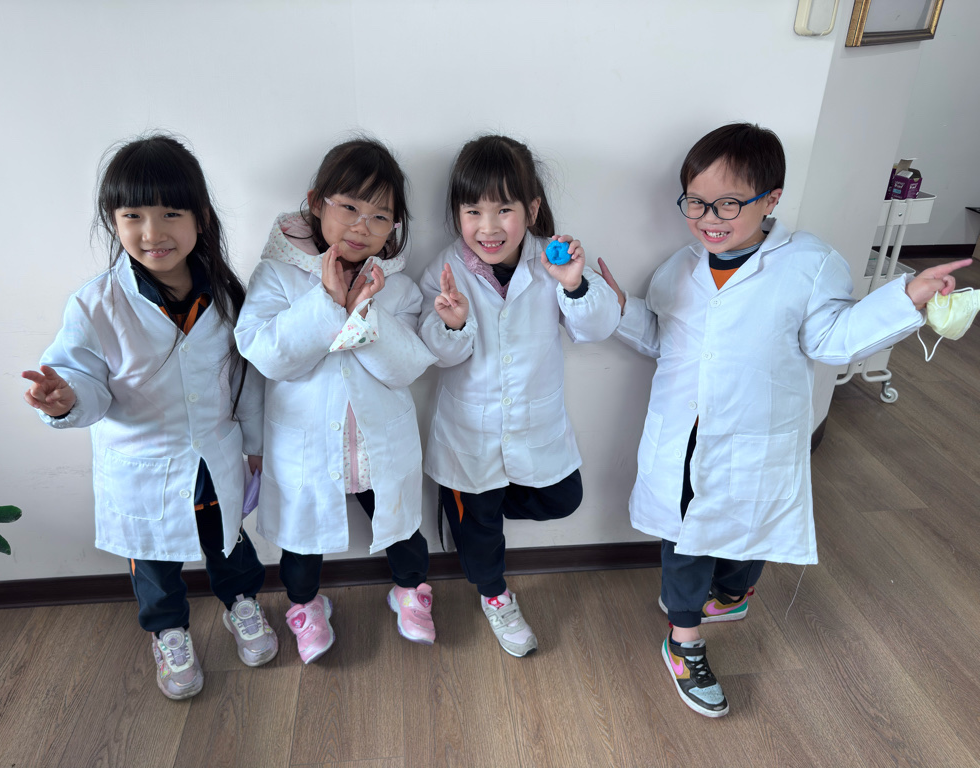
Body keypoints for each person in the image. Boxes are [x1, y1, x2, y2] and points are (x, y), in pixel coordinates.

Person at [597, 122, 971, 717]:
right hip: (685, 434)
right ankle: (683, 640)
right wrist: (617, 309)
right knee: (686, 536)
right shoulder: (679, 268)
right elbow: (660, 337)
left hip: (758, 435)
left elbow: (833, 340)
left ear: (770, 199)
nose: (709, 218)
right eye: (696, 202)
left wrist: (906, 297)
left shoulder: (810, 264)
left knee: (753, 529)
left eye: (728, 203)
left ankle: (733, 594)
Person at [22, 134, 276, 701]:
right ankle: (169, 633)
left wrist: (256, 444)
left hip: (213, 456)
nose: (152, 232)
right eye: (133, 215)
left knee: (229, 543)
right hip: (144, 465)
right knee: (155, 564)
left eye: (170, 214)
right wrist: (66, 400)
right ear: (112, 221)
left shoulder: (226, 296)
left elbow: (246, 380)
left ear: (200, 218)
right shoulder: (95, 305)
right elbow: (85, 382)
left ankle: (241, 603)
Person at [235, 138, 438, 663]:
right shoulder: (277, 275)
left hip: (377, 445)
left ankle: (410, 590)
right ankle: (305, 605)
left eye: (379, 216)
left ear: (394, 226)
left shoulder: (397, 287)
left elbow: (407, 366)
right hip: (307, 447)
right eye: (348, 207)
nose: (361, 226)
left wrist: (365, 313)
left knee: (402, 527)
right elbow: (266, 354)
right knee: (302, 542)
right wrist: (326, 304)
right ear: (316, 203)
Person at [417, 135, 620, 657]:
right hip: (470, 430)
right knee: (480, 529)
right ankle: (495, 595)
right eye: (473, 211)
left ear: (531, 210)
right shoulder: (444, 270)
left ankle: (469, 510)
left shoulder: (553, 260)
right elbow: (436, 353)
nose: (488, 228)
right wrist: (453, 324)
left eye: (504, 210)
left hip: (535, 423)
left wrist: (575, 284)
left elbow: (597, 327)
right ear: (457, 214)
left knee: (563, 497)